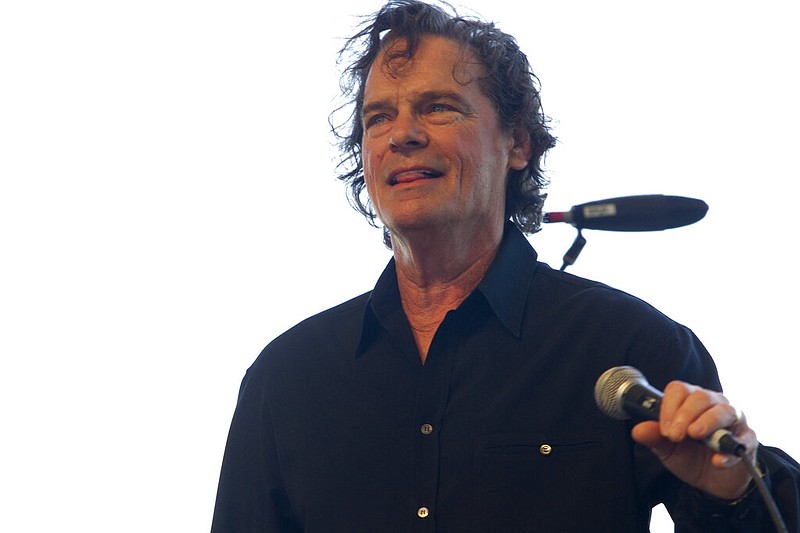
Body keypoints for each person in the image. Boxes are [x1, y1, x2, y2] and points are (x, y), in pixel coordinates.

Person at [211, 1, 800, 531]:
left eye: (438, 108)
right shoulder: (286, 378)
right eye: (377, 118)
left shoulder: (628, 348)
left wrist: (730, 495)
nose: (402, 135)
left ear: (517, 143)